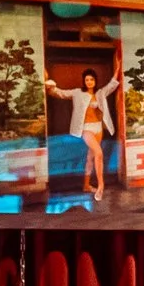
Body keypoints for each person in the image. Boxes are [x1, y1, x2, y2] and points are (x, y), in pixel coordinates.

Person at [45, 68, 121, 200]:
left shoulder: (100, 93)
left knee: (90, 157)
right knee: (99, 153)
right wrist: (49, 85)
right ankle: (101, 186)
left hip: (99, 128)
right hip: (86, 128)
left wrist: (119, 67)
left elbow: (113, 84)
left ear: (95, 81)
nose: (89, 82)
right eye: (87, 80)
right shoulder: (78, 93)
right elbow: (60, 93)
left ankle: (86, 185)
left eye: (91, 79)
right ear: (84, 81)